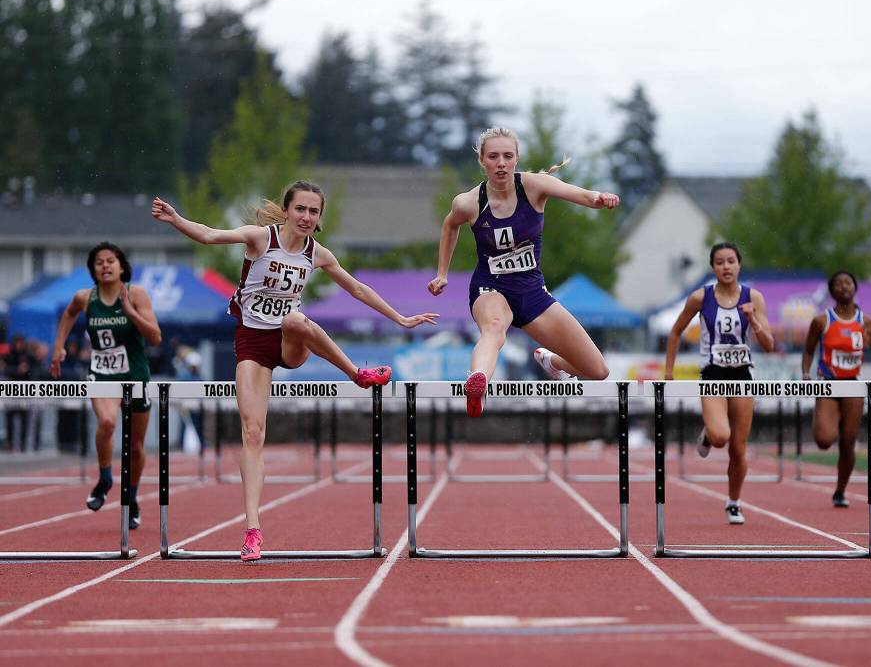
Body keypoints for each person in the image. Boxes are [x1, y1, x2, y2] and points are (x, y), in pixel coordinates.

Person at [151, 181, 438, 561]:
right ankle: (253, 529)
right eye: (300, 209)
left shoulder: (317, 253)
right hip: (252, 344)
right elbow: (208, 235)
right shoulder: (259, 239)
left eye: (313, 212)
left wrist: (400, 318)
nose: (306, 217)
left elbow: (357, 289)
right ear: (286, 210)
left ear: (319, 219)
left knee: (296, 320)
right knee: (252, 433)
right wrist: (175, 220)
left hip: (289, 344)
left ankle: (356, 373)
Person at [427, 126, 617, 416]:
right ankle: (477, 381)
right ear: (482, 161)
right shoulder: (467, 202)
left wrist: (598, 197)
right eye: (493, 157)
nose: (500, 163)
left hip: (531, 291)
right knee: (493, 329)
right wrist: (443, 273)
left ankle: (553, 363)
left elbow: (580, 195)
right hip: (490, 287)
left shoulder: (534, 185)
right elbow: (450, 225)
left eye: (507, 156)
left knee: (598, 370)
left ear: (516, 159)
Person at [50, 243, 162, 529]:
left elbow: (155, 338)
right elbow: (68, 315)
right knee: (108, 423)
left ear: (121, 266)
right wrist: (59, 348)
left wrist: (130, 311)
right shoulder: (85, 297)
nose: (105, 266)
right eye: (99, 262)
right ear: (93, 269)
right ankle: (105, 477)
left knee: (136, 446)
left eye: (110, 261)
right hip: (101, 373)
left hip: (135, 373)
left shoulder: (136, 294)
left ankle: (133, 498)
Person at [663, 243, 774, 524]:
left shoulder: (754, 298)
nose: (726, 267)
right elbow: (675, 332)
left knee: (738, 447)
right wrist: (669, 372)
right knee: (721, 436)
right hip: (712, 374)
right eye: (720, 262)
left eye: (731, 261)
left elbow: (770, 345)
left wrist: (753, 321)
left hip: (742, 376)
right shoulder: (701, 298)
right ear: (712, 267)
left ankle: (734, 502)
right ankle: (710, 434)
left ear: (739, 265)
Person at [800, 271, 871, 508]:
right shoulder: (821, 321)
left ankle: (840, 491)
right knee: (824, 440)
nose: (844, 287)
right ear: (832, 291)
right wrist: (806, 374)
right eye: (838, 284)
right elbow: (808, 350)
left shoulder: (867, 322)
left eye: (848, 282)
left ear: (855, 288)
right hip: (828, 382)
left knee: (848, 442)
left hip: (853, 384)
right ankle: (826, 419)